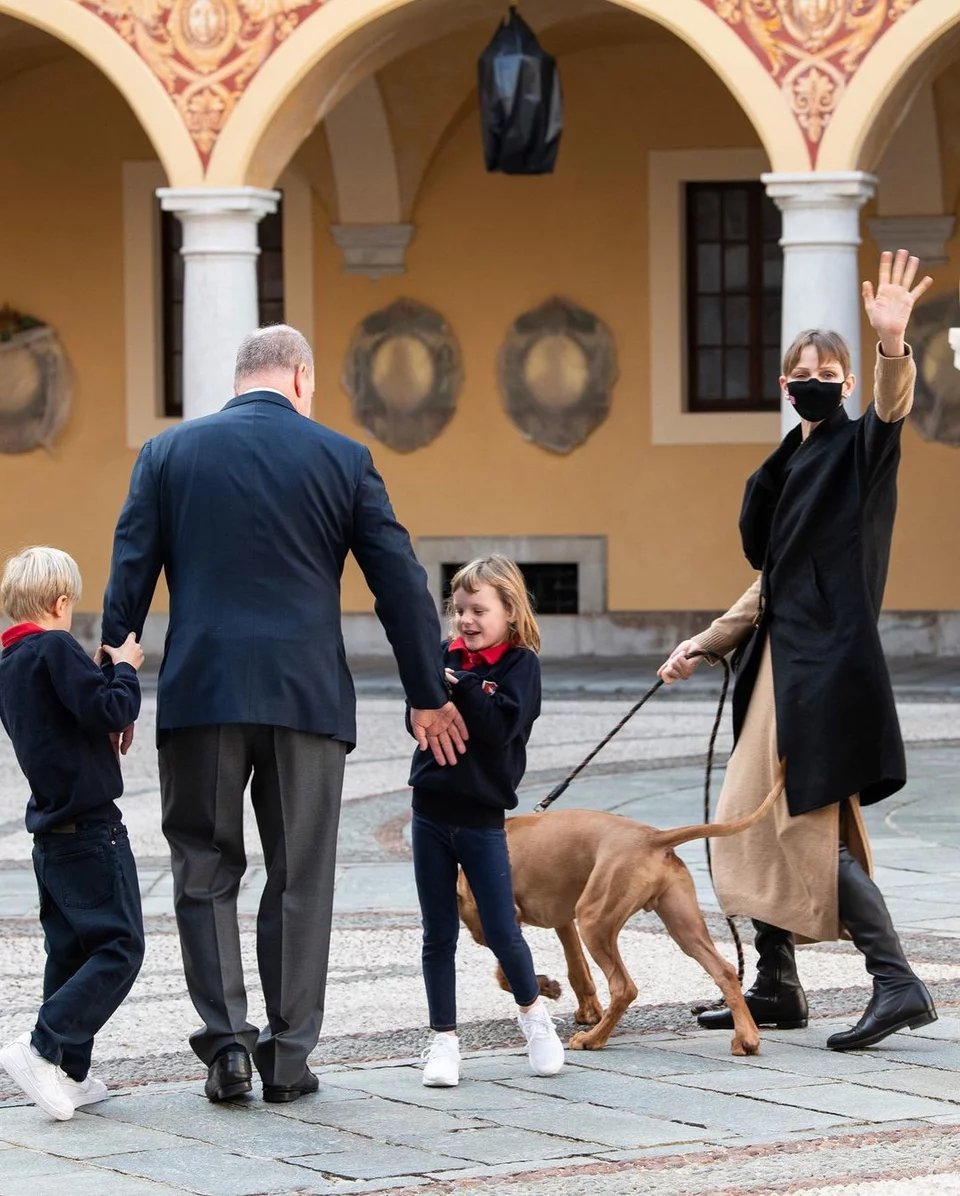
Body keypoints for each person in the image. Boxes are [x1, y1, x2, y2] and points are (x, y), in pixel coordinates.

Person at [101, 324, 467, 1105]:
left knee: (202, 869)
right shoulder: (342, 458)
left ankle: (226, 1049)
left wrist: (116, 694)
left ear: (239, 380)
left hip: (202, 692)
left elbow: (128, 576)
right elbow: (399, 583)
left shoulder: (167, 455)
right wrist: (427, 693)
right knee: (300, 876)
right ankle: (289, 1055)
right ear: (301, 377)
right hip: (306, 696)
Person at [659, 250, 936, 1052]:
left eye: (828, 369)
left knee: (802, 827)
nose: (813, 378)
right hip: (782, 664)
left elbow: (892, 411)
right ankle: (776, 983)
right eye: (801, 369)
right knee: (748, 820)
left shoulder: (859, 450)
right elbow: (775, 581)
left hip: (822, 670)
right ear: (785, 384)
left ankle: (895, 980)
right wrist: (705, 645)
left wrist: (891, 345)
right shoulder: (788, 463)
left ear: (846, 383)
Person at [0, 546, 144, 1120]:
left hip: (52, 832)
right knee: (120, 946)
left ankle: (70, 1071)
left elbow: (68, 716)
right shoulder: (56, 646)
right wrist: (126, 664)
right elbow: (109, 710)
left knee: (69, 950)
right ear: (61, 602)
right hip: (92, 831)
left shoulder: (10, 659)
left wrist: (97, 676)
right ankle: (40, 1046)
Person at [409, 554, 564, 1087]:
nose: (466, 621)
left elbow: (501, 729)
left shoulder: (521, 666)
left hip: (480, 819)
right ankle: (444, 1041)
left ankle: (533, 1016)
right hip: (429, 812)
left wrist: (466, 690)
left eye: (479, 610)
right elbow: (421, 718)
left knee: (501, 928)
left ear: (511, 613)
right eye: (459, 610)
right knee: (438, 933)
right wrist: (437, 693)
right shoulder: (441, 657)